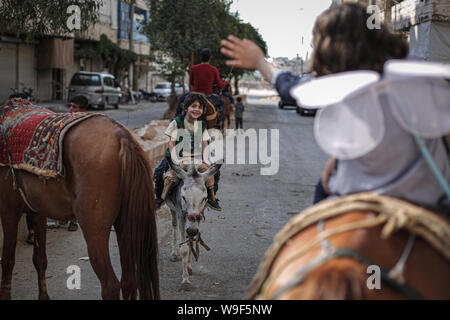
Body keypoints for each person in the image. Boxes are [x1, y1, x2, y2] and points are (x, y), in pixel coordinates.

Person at [221, 3, 450, 214]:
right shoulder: (422, 70)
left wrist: (260, 62)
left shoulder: (344, 78)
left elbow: (290, 88)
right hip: (432, 203)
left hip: (360, 200)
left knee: (321, 199)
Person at [154, 92, 222, 211]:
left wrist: (206, 161)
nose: (197, 109)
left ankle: (212, 198)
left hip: (195, 157)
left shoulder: (202, 126)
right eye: (193, 106)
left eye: (200, 107)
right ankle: (160, 198)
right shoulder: (176, 122)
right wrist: (175, 161)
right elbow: (172, 144)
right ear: (185, 108)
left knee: (214, 173)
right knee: (160, 172)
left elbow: (205, 145)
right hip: (177, 157)